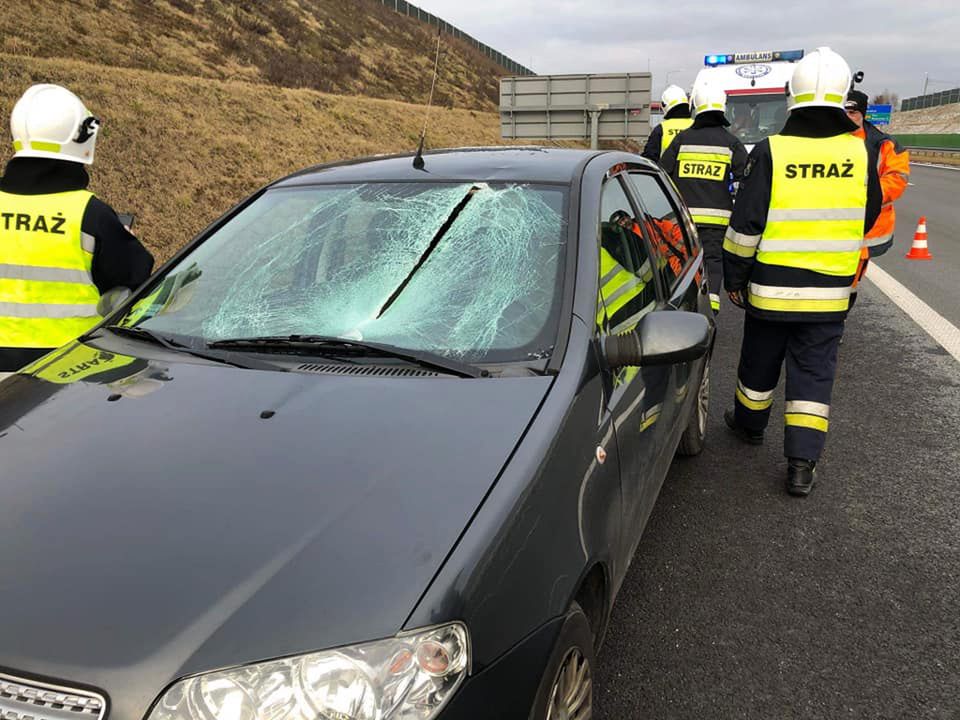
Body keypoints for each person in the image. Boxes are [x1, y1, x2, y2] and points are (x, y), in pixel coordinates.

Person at [721, 47, 882, 496]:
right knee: (814, 375)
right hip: (830, 294)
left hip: (771, 289)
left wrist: (735, 277)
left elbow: (746, 224)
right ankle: (801, 465)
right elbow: (868, 217)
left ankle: (750, 426)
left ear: (792, 95)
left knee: (759, 362)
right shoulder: (859, 154)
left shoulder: (773, 150)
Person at [0, 84, 154, 376]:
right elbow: (138, 283)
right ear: (81, 139)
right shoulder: (91, 216)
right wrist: (122, 241)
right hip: (65, 377)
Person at [661, 82, 748, 314]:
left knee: (682, 261)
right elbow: (745, 183)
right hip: (717, 222)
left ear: (695, 107)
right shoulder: (732, 143)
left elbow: (662, 172)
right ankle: (711, 309)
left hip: (684, 219)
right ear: (723, 108)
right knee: (713, 261)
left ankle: (680, 308)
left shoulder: (682, 140)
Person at [844, 89, 910, 301]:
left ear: (862, 114)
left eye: (853, 112)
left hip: (867, 225)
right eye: (844, 111)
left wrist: (864, 196)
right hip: (830, 224)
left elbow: (897, 178)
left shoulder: (883, 144)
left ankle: (838, 320)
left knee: (849, 284)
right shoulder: (826, 140)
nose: (848, 116)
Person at [642, 85, 693, 164]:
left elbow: (649, 161)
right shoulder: (697, 126)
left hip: (666, 175)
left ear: (665, 105)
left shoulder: (661, 129)